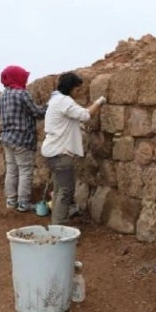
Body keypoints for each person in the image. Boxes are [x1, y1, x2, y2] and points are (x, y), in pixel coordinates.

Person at [41, 72, 105, 225]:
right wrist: (100, 101)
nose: (79, 93)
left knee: (58, 191)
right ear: (69, 88)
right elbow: (85, 115)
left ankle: (56, 224)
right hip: (61, 154)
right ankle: (60, 229)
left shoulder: (55, 101)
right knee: (65, 192)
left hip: (52, 152)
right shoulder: (64, 101)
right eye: (77, 90)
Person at [0, 65, 47, 212]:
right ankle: (23, 203)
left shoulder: (1, 97)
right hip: (22, 139)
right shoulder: (21, 94)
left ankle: (11, 202)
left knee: (11, 170)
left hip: (7, 138)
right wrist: (50, 105)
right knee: (25, 170)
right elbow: (37, 113)